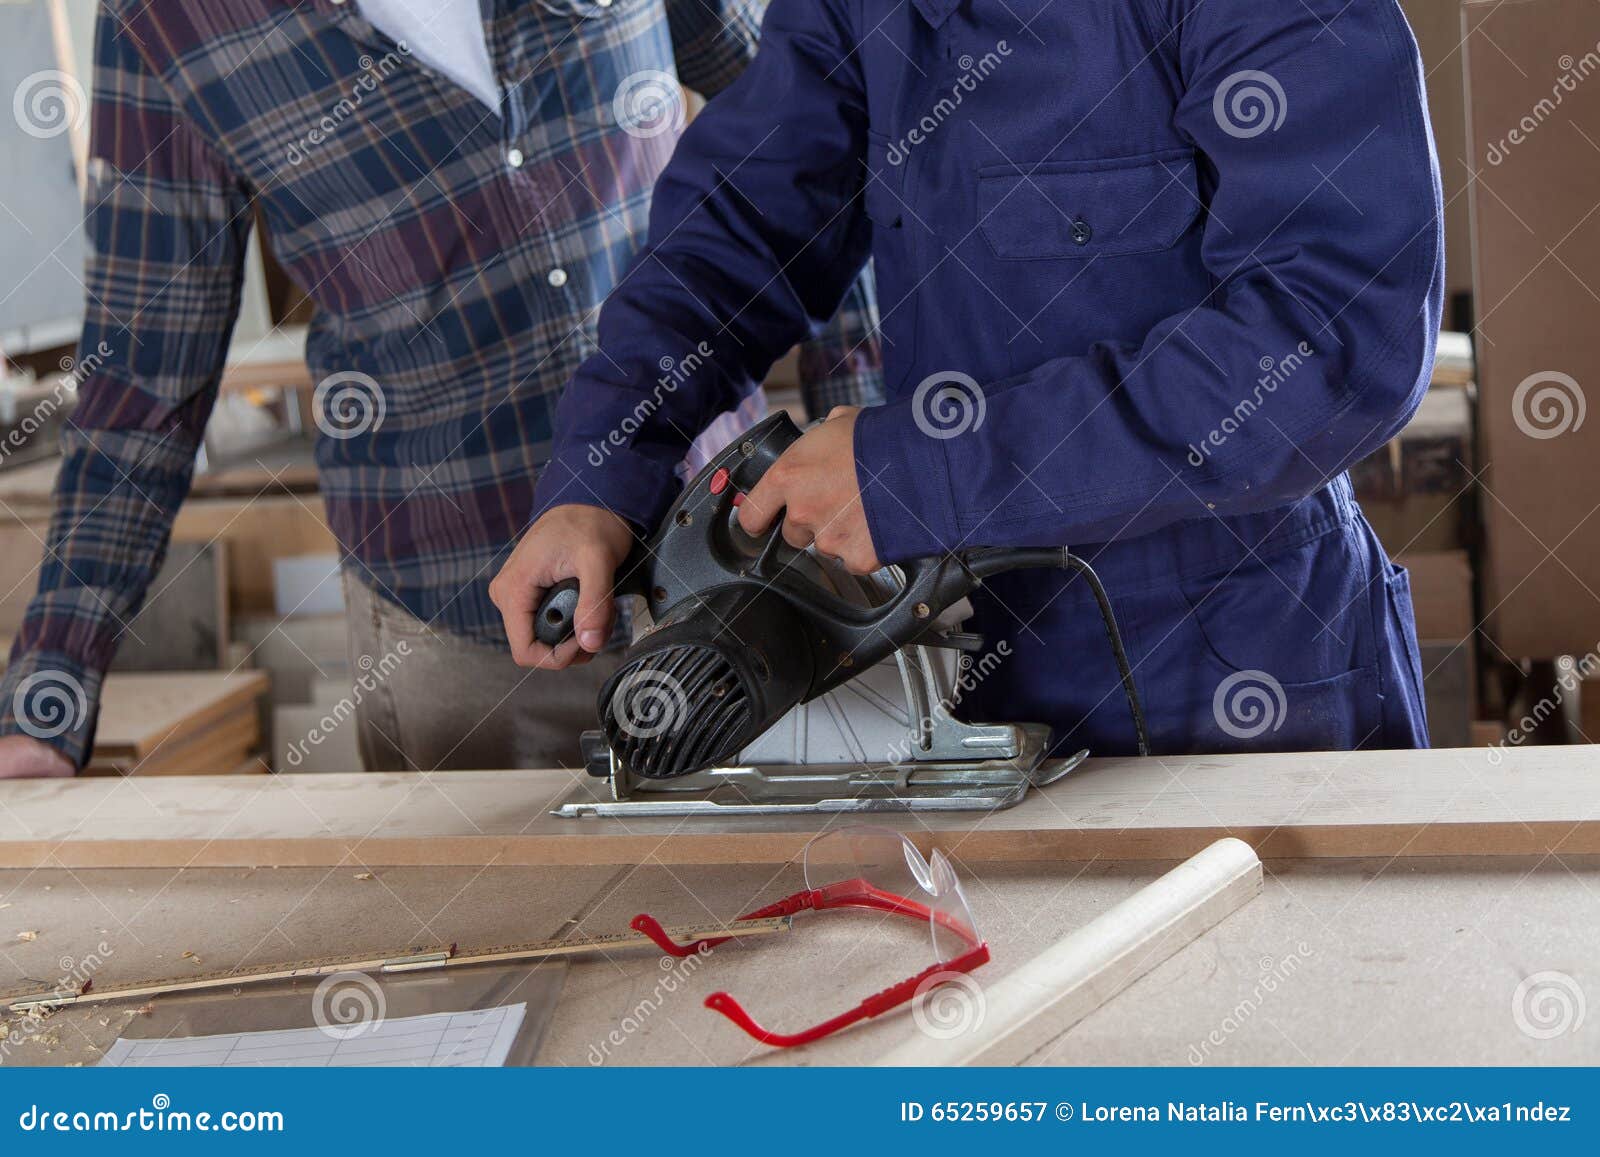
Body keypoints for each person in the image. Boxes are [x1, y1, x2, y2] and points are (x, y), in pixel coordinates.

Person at [494, 0, 1443, 755]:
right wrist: (602, 474)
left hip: (1243, 677)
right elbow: (739, 229)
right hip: (975, 672)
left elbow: (1339, 334)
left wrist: (921, 473)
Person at [0, 0, 880, 778]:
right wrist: (49, 694)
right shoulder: (166, 19)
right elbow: (143, 376)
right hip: (467, 634)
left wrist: (879, 466)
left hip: (741, 563)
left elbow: (821, 141)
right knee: (504, 952)